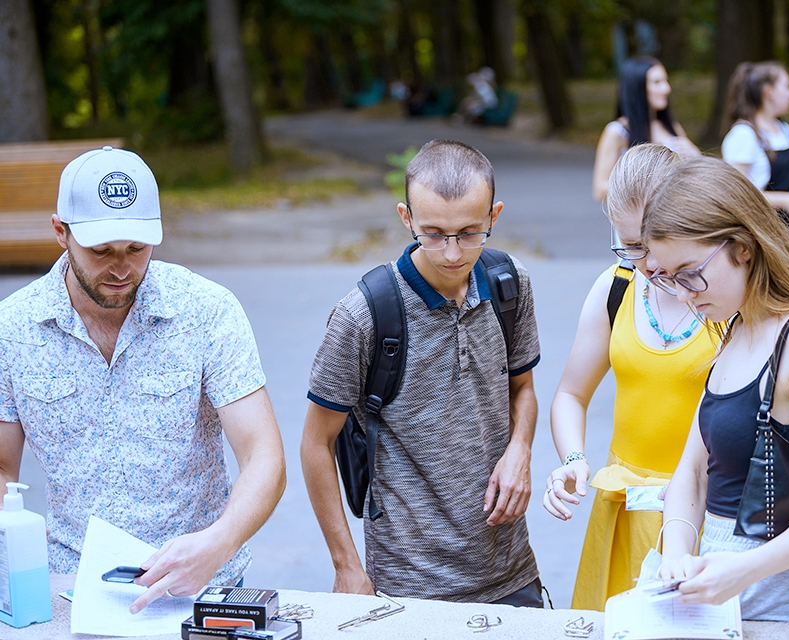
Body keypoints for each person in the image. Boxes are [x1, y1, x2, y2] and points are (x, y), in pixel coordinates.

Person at [0, 146, 286, 614]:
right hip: (74, 584)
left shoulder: (207, 311)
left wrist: (217, 543)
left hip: (206, 583)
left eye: (136, 248)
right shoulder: (11, 329)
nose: (120, 268)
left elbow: (264, 456)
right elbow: (1, 468)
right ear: (60, 232)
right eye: (100, 251)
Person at [301, 139, 542, 606]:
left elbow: (524, 388)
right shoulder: (364, 315)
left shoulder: (511, 285)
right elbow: (316, 443)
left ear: (494, 216)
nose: (452, 252)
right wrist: (347, 567)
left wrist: (521, 450)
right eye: (433, 233)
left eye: (470, 232)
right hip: (409, 585)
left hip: (511, 573)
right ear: (406, 217)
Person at [642, 156, 789, 623]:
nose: (683, 294)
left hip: (786, 605)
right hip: (714, 598)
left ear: (741, 246)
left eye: (689, 272)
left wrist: (741, 571)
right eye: (668, 276)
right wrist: (677, 552)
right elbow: (692, 472)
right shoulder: (734, 326)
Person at [543, 144, 719, 611]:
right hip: (625, 510)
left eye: (650, 241)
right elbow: (570, 394)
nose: (644, 260)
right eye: (629, 245)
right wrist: (574, 458)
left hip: (707, 510)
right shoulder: (617, 285)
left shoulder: (721, 295)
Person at [721, 61, 789, 232]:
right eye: (787, 87)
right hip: (758, 233)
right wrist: (785, 200)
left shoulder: (784, 130)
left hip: (785, 230)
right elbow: (737, 195)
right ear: (769, 92)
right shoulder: (744, 135)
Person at [592, 57, 700, 202]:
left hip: (674, 217)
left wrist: (696, 156)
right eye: (657, 82)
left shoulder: (673, 128)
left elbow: (695, 175)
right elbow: (600, 190)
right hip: (639, 220)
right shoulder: (618, 132)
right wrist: (641, 182)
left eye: (665, 81)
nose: (667, 89)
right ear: (637, 88)